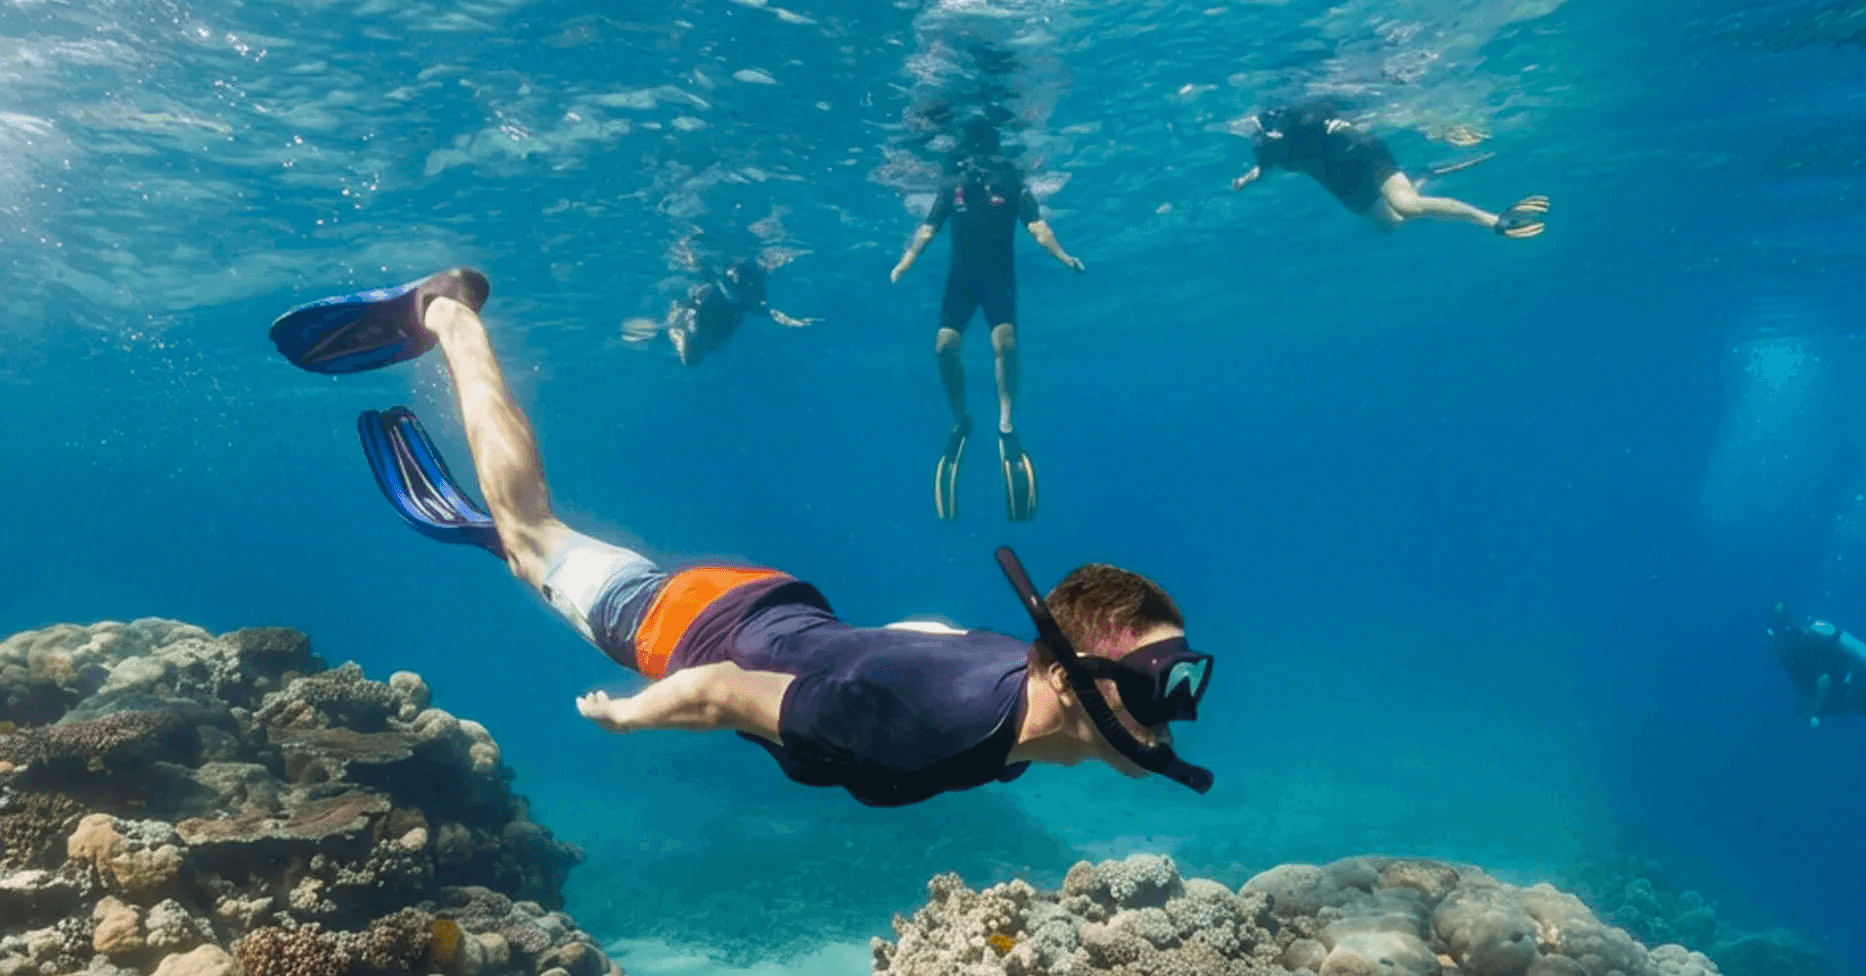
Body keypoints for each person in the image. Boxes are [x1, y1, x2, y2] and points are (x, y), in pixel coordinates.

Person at [267, 268, 1215, 805]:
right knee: (529, 531)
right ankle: (448, 313)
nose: (1171, 715)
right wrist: (625, 715)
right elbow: (719, 692)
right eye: (1153, 687)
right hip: (690, 631)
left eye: (1179, 683)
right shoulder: (927, 723)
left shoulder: (1011, 683)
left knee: (553, 555)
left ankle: (523, 549)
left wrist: (854, 652)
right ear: (1063, 673)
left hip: (777, 606)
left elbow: (928, 634)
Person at [889, 116, 1084, 522]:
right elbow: (928, 227)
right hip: (961, 281)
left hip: (998, 281)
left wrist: (1063, 257)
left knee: (1006, 343)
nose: (981, 159)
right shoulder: (951, 184)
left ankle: (1007, 424)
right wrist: (906, 261)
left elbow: (1037, 225)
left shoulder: (1011, 180)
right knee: (944, 348)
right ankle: (961, 420)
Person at [1231, 101, 1548, 238]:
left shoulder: (1310, 119)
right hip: (1338, 180)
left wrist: (1434, 124)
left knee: (1406, 206)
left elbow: (1356, 124)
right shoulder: (1265, 147)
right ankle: (1423, 176)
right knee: (1389, 226)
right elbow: (1265, 166)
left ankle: (1493, 221)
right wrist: (1249, 178)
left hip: (1362, 155)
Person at [641, 256, 815, 369]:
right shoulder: (713, 336)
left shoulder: (690, 327)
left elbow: (754, 309)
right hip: (725, 302)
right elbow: (754, 309)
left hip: (719, 299)